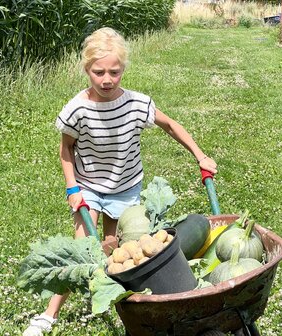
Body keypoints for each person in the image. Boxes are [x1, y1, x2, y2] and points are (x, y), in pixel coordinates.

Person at [23, 27, 217, 336]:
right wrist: (72, 187)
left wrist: (200, 155)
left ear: (123, 69)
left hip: (125, 189)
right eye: (98, 72)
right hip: (89, 187)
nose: (106, 79)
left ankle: (126, 311)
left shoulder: (136, 104)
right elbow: (66, 150)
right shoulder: (77, 109)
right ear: (86, 69)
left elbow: (170, 125)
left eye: (114, 71)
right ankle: (49, 315)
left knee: (115, 253)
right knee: (82, 249)